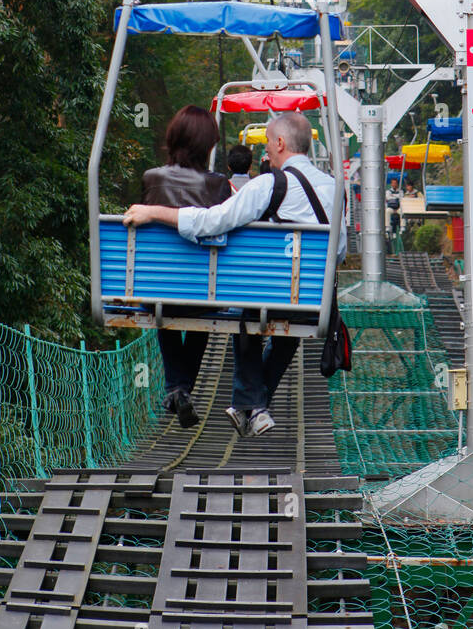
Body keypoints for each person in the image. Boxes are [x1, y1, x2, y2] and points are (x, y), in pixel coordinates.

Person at [124, 111, 346, 439]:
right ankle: (253, 407)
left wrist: (154, 212)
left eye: (269, 143)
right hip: (314, 300)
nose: (265, 151)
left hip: (267, 298)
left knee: (247, 311)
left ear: (281, 143)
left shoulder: (270, 184)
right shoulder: (336, 189)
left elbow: (213, 222)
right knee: (287, 320)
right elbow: (338, 250)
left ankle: (247, 403)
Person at [138, 105, 232, 430]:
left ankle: (175, 389)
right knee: (199, 317)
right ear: (207, 146)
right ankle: (180, 389)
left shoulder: (151, 178)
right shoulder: (218, 184)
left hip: (154, 289)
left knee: (162, 309)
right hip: (202, 293)